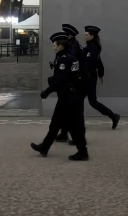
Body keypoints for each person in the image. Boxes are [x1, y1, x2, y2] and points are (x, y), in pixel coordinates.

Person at [30, 32, 88, 161]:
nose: (53, 47)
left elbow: (61, 80)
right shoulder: (65, 56)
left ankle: (82, 152)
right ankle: (45, 147)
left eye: (55, 45)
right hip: (68, 96)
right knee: (57, 123)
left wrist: (47, 91)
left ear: (61, 45)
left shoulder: (64, 59)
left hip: (69, 97)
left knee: (74, 125)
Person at [80, 25, 120, 130]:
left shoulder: (93, 48)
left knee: (86, 101)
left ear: (92, 36)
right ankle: (113, 116)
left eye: (86, 35)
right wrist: (101, 74)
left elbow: (90, 63)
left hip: (88, 77)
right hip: (88, 76)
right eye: (84, 35)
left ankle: (113, 116)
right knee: (90, 101)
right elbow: (99, 61)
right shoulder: (90, 46)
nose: (84, 36)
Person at [55, 23, 85, 143]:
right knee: (66, 111)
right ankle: (64, 133)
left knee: (72, 112)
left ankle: (78, 139)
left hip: (70, 84)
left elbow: (70, 63)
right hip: (69, 83)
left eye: (65, 34)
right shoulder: (73, 45)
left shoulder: (73, 46)